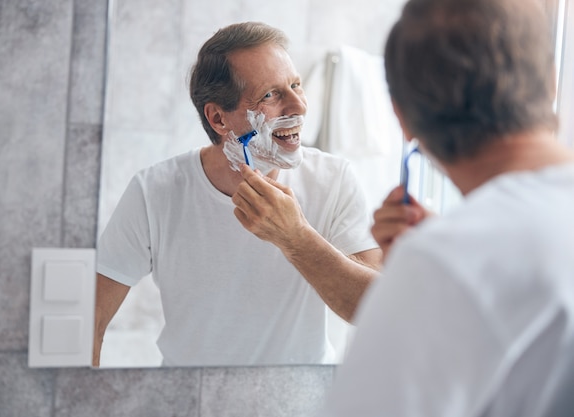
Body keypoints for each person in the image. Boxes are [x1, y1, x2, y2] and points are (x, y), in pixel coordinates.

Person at [232, 0, 574, 415]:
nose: (297, 106)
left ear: (401, 118)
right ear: (551, 85)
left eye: (297, 87)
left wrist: (430, 267)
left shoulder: (445, 263)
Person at [93, 21, 382, 367]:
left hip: (298, 401)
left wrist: (296, 238)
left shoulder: (333, 180)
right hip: (189, 399)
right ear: (218, 119)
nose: (299, 106)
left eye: (295, 85)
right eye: (271, 95)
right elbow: (88, 324)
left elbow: (378, 311)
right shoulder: (154, 192)